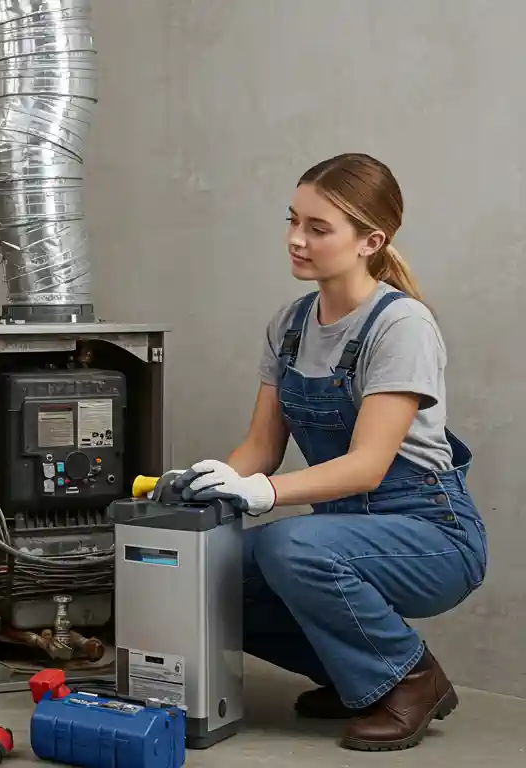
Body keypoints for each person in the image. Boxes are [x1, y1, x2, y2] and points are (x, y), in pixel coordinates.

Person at [169, 153, 488, 752]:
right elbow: (261, 447)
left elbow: (368, 465)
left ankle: (411, 679)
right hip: (341, 531)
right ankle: (358, 681)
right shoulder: (289, 324)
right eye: (293, 220)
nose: (296, 239)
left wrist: (263, 493)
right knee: (210, 570)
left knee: (292, 545)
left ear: (372, 240)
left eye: (318, 229)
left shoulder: (401, 326)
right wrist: (202, 481)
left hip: (431, 533)